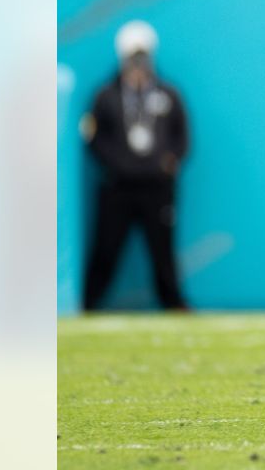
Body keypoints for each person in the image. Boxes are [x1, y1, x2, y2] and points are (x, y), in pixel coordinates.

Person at [81, 21, 190, 311]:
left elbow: (183, 136)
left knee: (163, 251)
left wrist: (169, 162)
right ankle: (88, 303)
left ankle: (174, 304)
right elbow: (93, 138)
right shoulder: (106, 96)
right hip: (119, 187)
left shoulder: (168, 95)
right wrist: (118, 164)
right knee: (106, 248)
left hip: (157, 187)